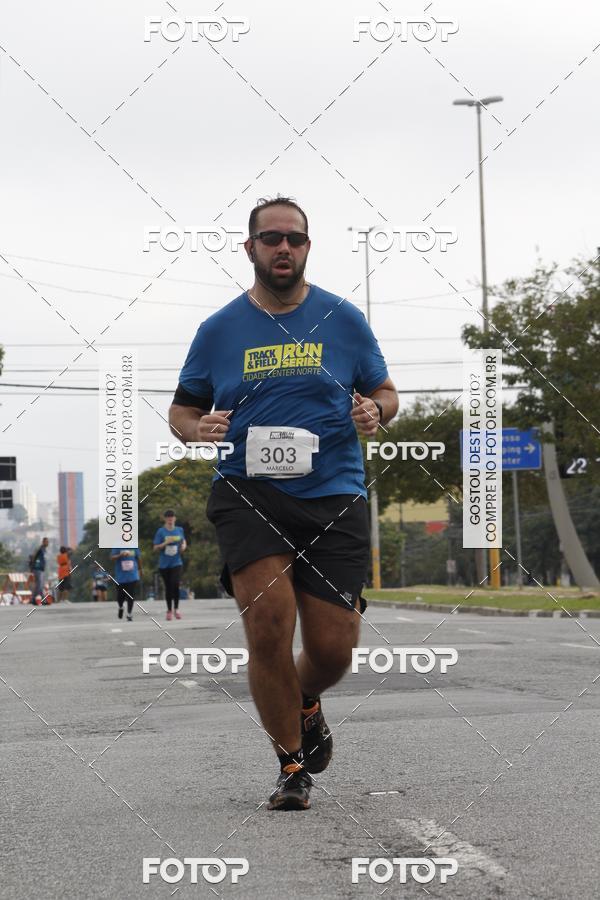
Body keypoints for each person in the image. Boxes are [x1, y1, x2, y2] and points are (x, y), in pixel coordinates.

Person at [168, 197, 398, 811]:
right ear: (250, 249)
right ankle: (291, 766)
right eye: (271, 238)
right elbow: (182, 408)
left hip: (334, 494)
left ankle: (306, 699)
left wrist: (377, 409)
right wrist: (194, 431)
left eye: (294, 238)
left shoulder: (343, 319)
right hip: (249, 491)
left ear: (307, 247)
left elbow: (384, 390)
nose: (283, 248)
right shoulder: (218, 330)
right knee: (268, 626)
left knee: (332, 650)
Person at [153, 510, 187, 621]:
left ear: (175, 518)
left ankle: (176, 609)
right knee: (168, 587)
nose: (170, 519)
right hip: (164, 564)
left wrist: (183, 547)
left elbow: (184, 542)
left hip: (177, 562)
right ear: (165, 519)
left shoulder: (179, 530)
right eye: (168, 517)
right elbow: (155, 548)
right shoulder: (161, 532)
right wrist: (165, 543)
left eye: (172, 517)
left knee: (175, 584)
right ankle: (169, 610)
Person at [110, 547, 142, 621]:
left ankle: (129, 614)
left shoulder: (134, 546)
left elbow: (138, 558)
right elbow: (112, 558)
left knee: (130, 595)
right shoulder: (117, 547)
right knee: (120, 597)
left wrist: (140, 569)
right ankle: (121, 607)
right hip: (120, 577)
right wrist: (120, 555)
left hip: (132, 575)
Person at [29, 537, 49, 605]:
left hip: (41, 569)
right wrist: (32, 567)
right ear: (43, 542)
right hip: (37, 569)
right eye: (46, 542)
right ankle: (39, 599)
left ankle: (35, 599)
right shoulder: (40, 549)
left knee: (40, 585)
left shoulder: (43, 549)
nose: (47, 543)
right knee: (39, 585)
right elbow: (33, 556)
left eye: (48, 542)